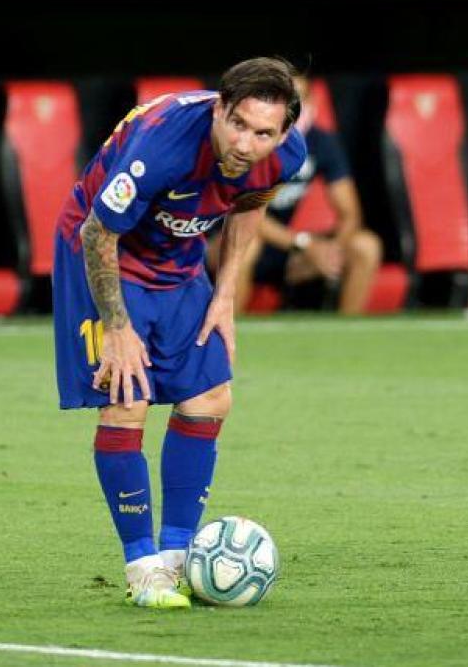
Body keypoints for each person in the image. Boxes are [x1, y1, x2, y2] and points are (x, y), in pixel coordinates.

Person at [52, 57, 306, 609]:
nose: (246, 144)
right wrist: (117, 327)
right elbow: (97, 232)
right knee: (127, 396)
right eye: (238, 125)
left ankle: (177, 557)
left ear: (284, 133)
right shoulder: (163, 145)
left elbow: (250, 203)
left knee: (211, 397)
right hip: (103, 253)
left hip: (177, 260)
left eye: (264, 133)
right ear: (219, 109)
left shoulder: (285, 155)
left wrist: (226, 295)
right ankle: (143, 568)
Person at [234, 74, 382, 315]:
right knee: (246, 245)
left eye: (299, 99)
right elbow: (246, 215)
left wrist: (330, 251)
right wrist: (304, 244)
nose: (293, 108)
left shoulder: (320, 142)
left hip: (288, 247)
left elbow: (350, 212)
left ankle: (348, 332)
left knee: (366, 246)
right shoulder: (248, 141)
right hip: (229, 238)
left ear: (312, 102)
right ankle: (226, 329)